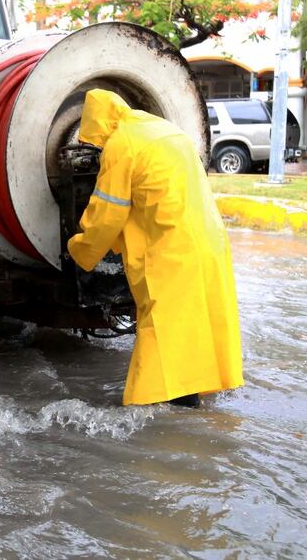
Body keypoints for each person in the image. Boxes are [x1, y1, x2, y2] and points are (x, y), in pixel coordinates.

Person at [67, 89, 243, 408]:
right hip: (208, 242)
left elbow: (107, 214)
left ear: (97, 124)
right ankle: (192, 403)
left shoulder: (121, 145)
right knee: (197, 325)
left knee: (161, 331)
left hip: (170, 251)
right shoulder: (165, 129)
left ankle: (155, 410)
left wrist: (80, 249)